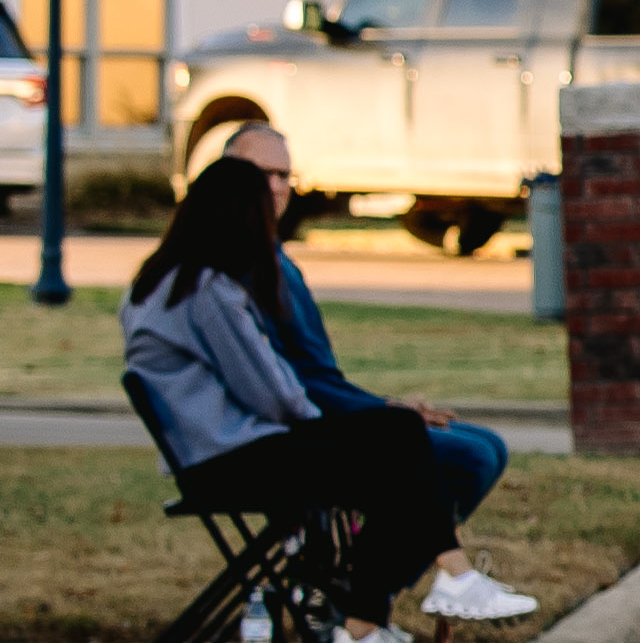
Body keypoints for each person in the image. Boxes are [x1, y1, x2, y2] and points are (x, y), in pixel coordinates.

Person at [122, 157, 536, 643]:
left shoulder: (160, 281)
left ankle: (385, 619)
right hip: (232, 461)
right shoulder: (207, 291)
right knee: (396, 441)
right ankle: (422, 593)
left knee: (395, 444)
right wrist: (341, 425)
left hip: (216, 456)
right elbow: (271, 392)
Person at [209, 124, 520, 537]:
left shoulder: (275, 259)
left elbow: (319, 375)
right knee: (470, 457)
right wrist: (381, 417)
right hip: (289, 436)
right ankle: (370, 586)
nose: (275, 187)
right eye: (260, 174)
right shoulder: (234, 271)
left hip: (326, 415)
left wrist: (385, 410)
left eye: (283, 175)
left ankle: (367, 577)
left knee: (489, 446)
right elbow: (289, 384)